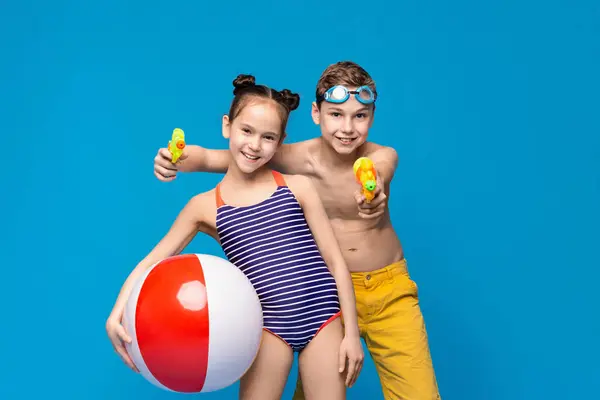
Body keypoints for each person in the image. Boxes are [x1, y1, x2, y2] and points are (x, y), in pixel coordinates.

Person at [152, 61, 441, 400]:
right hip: (322, 296)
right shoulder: (293, 158)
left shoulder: (382, 156)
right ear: (316, 114)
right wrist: (175, 159)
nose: (347, 127)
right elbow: (220, 157)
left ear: (372, 118)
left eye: (360, 116)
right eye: (336, 114)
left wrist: (372, 191)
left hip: (386, 291)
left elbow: (379, 171)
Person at [106, 74, 364, 400]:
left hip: (324, 317)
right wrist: (116, 314)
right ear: (227, 126)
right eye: (246, 131)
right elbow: (152, 262)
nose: (255, 145)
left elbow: (335, 262)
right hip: (269, 327)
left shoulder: (297, 187)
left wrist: (351, 335)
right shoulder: (204, 207)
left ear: (281, 140)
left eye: (268, 137)